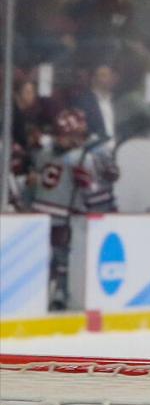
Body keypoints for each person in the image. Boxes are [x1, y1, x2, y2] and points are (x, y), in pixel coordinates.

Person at [28, 108, 117, 310]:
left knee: (59, 258)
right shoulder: (79, 157)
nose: (62, 139)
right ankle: (55, 294)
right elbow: (94, 191)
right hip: (56, 215)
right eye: (60, 135)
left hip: (53, 216)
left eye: (66, 135)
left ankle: (57, 293)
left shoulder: (50, 152)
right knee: (56, 259)